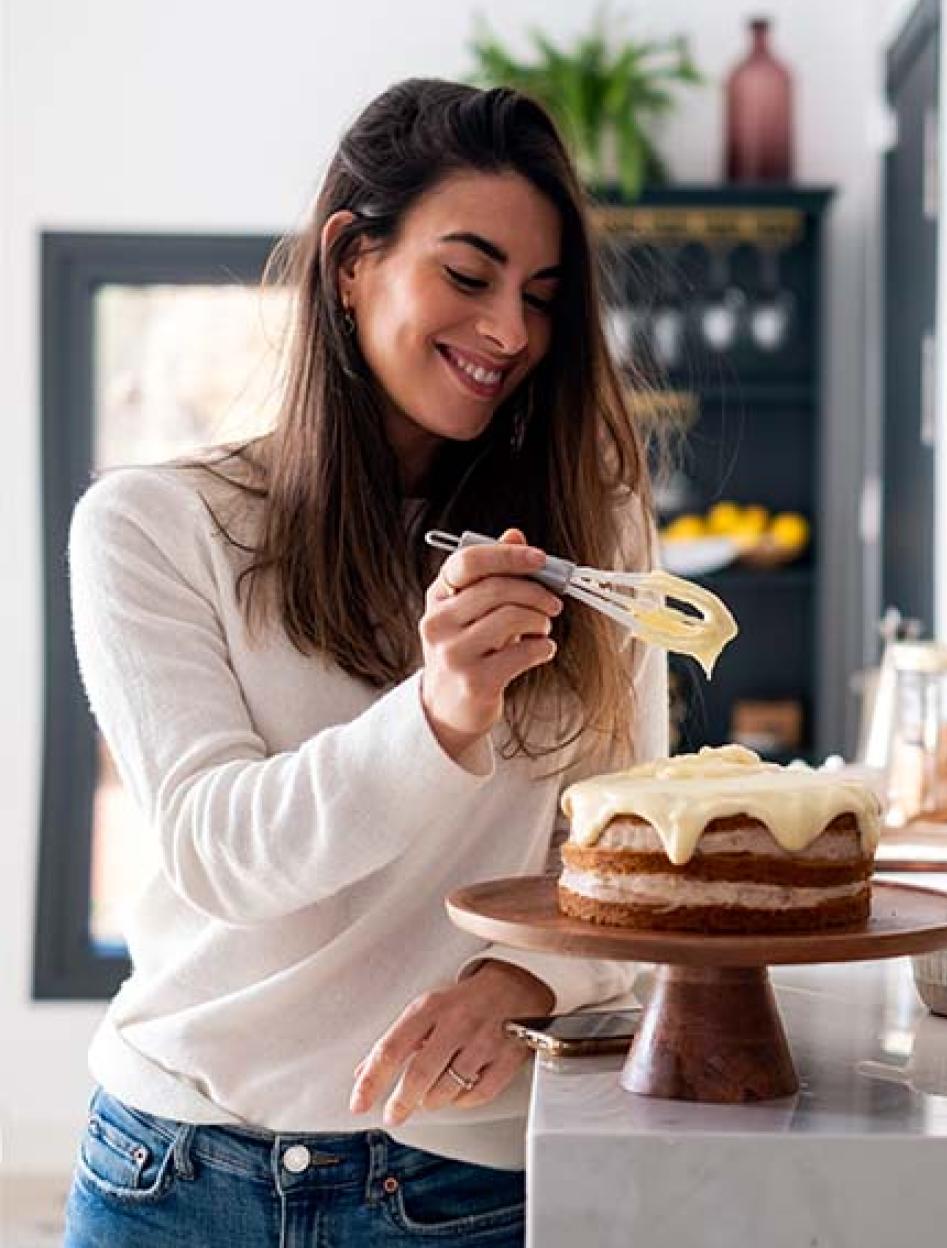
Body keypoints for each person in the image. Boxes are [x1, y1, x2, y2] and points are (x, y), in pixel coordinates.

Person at [63, 78, 666, 1247]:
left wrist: (524, 982)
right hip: (172, 1173)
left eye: (541, 298)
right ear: (350, 260)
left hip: (460, 1185)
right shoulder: (153, 527)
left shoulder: (595, 539)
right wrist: (438, 714)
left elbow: (622, 859)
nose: (510, 332)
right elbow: (216, 851)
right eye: (469, 274)